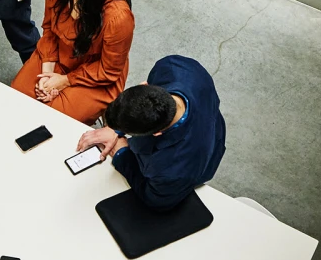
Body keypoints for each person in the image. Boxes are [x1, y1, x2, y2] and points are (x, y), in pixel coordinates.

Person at [77, 55, 226, 210]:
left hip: (202, 157)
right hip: (206, 112)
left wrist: (122, 154)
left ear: (156, 134)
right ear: (145, 85)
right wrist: (114, 129)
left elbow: (156, 199)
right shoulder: (175, 66)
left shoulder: (174, 169)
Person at [11, 0, 134, 123]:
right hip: (59, 54)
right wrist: (47, 75)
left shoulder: (118, 17)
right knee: (17, 97)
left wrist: (64, 81)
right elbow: (49, 30)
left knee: (53, 120)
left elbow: (108, 70)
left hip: (95, 73)